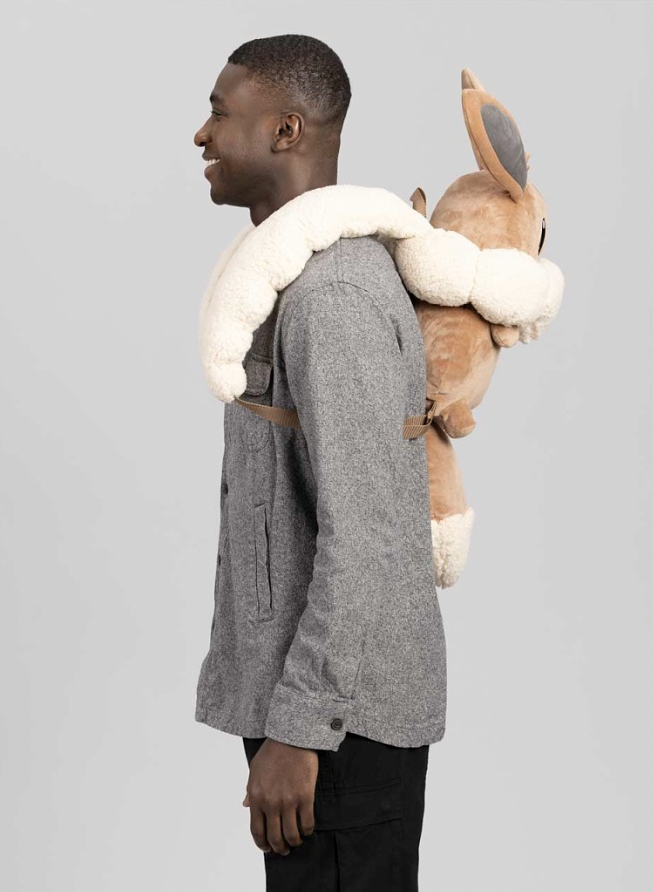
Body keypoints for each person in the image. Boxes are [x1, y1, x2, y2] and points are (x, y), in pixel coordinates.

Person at [192, 34, 447, 891]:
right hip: (318, 717)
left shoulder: (331, 296)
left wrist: (301, 727)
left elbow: (366, 532)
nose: (201, 134)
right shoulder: (287, 280)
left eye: (220, 114)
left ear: (286, 130)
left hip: (339, 728)